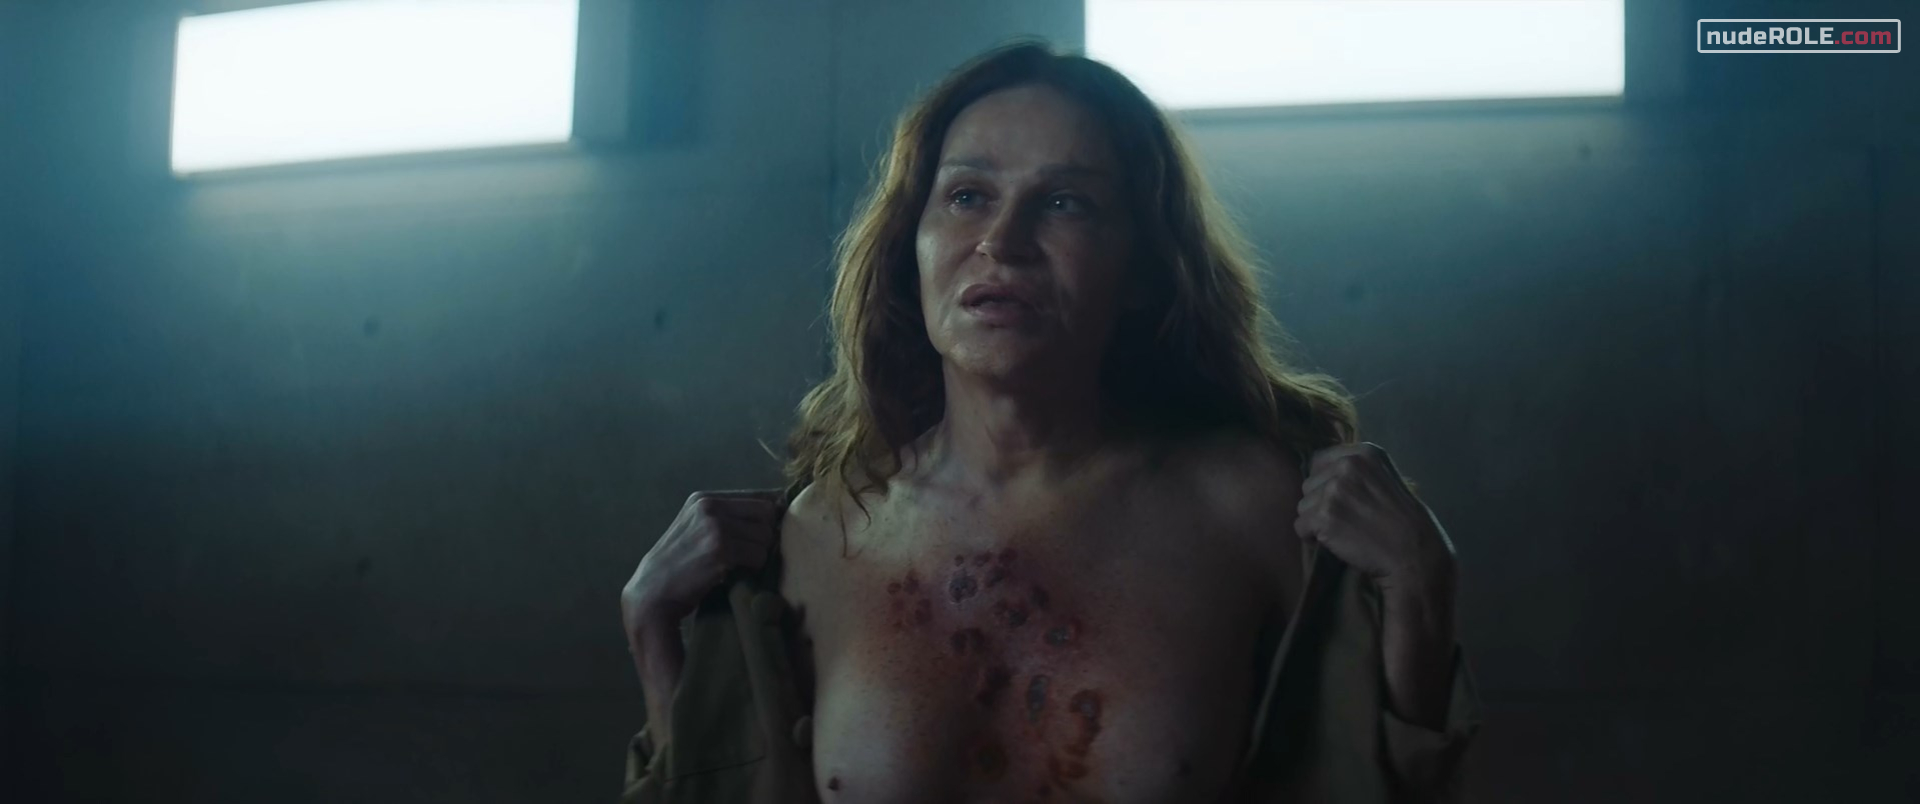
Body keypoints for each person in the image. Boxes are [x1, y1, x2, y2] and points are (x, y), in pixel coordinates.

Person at [618, 41, 1480, 804]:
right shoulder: (822, 532)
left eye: (1066, 203)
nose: (1002, 240)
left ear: (1144, 271)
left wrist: (1421, 587)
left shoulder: (1253, 507)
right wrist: (655, 636)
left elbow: (1378, 786)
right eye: (966, 195)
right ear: (911, 246)